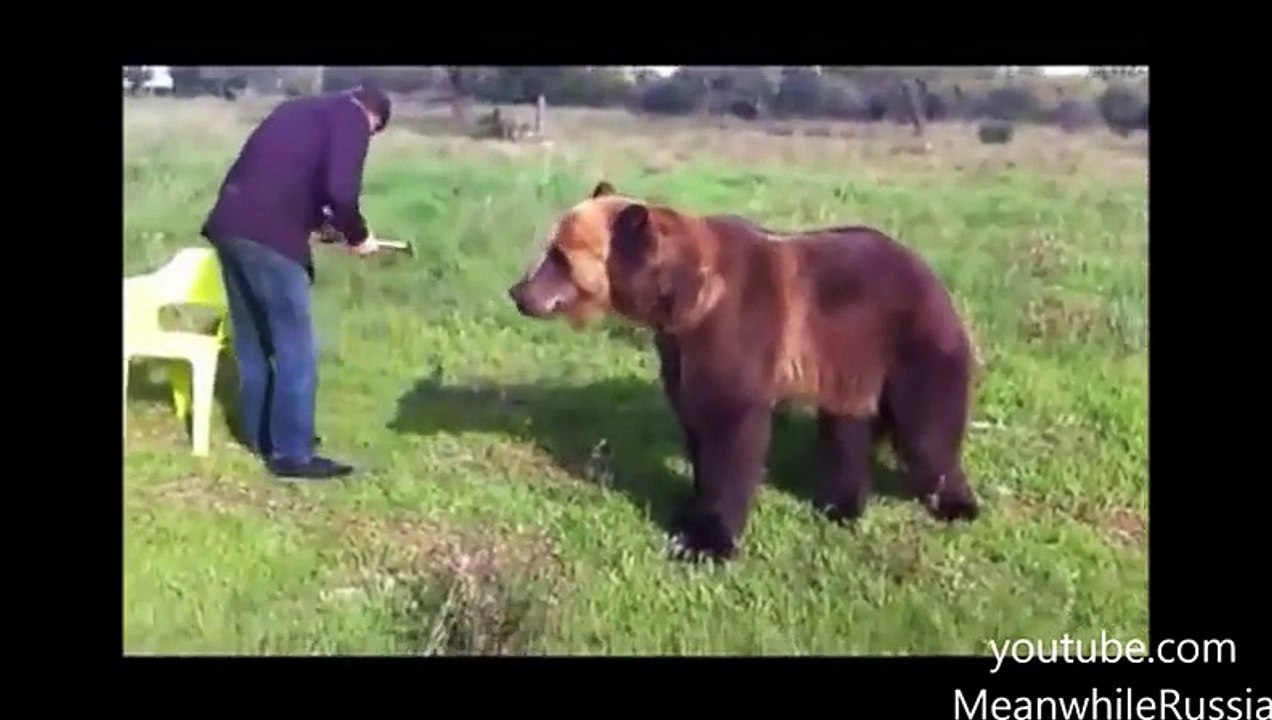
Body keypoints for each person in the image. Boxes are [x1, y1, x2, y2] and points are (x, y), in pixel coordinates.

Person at [200, 84, 392, 480]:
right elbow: (341, 191)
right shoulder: (353, 117)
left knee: (253, 341)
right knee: (296, 348)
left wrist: (324, 226)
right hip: (269, 236)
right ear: (374, 118)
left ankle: (260, 437)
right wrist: (358, 236)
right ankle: (292, 453)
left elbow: (287, 179)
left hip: (229, 225)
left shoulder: (298, 111)